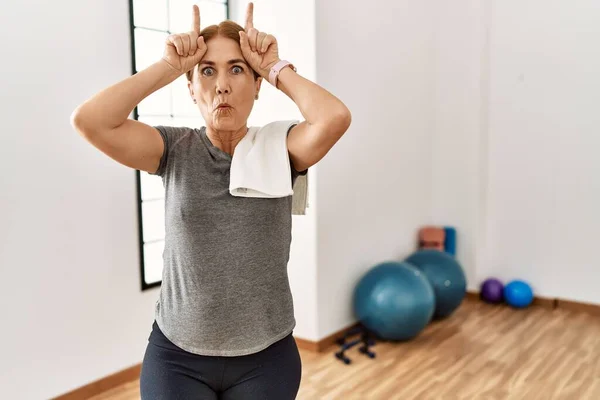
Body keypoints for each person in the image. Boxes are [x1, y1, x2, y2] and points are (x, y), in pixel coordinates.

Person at [71, 2, 351, 399]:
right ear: (190, 89)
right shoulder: (173, 149)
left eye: (237, 69)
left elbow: (334, 117)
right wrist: (168, 67)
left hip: (266, 358)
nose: (222, 84)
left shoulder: (281, 147)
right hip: (177, 357)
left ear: (256, 86)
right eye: (207, 71)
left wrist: (275, 67)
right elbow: (90, 120)